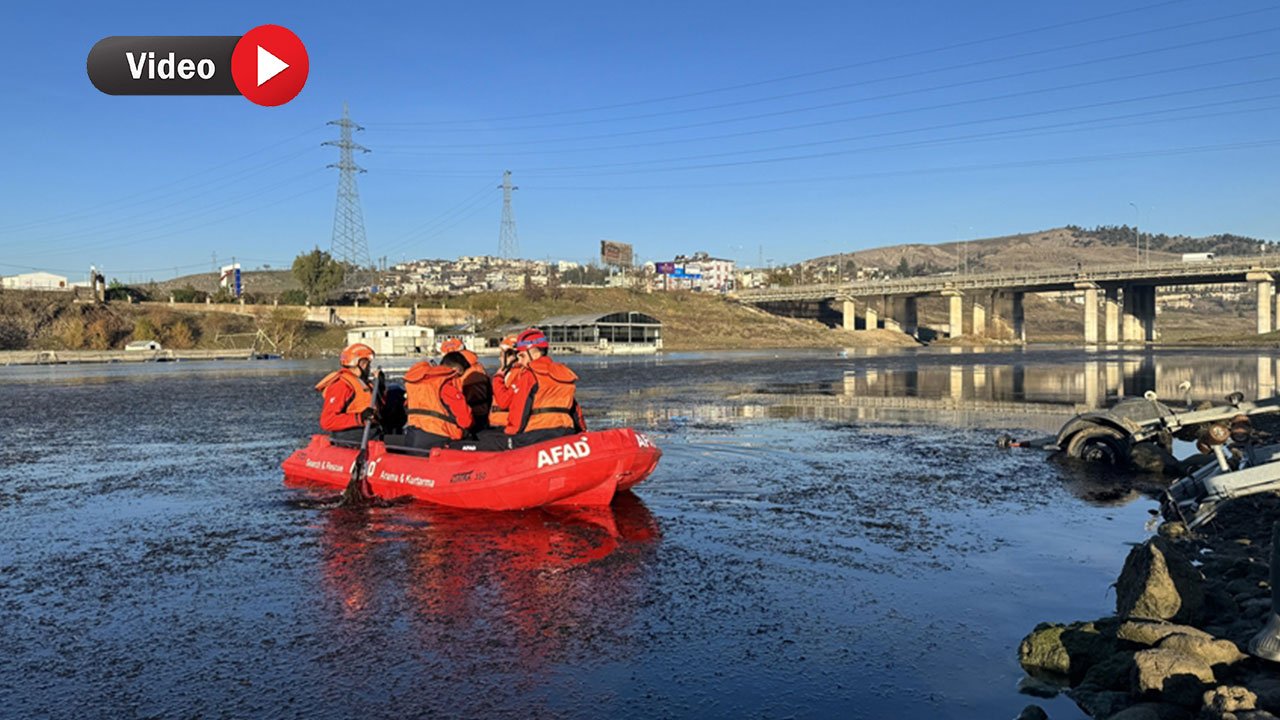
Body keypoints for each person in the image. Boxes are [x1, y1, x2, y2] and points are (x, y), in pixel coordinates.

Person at [476, 328, 585, 450]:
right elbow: (575, 410)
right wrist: (582, 433)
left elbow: (520, 409)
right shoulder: (564, 373)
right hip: (565, 431)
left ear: (534, 354)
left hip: (537, 434)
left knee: (485, 439)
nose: (520, 361)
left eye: (522, 356)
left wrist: (510, 435)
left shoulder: (530, 375)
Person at [402, 351, 474, 450]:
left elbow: (406, 406)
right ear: (457, 370)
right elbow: (466, 421)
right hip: (440, 440)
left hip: (413, 437)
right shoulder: (446, 385)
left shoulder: (416, 383)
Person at [316, 343, 377, 443]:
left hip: (369, 432)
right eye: (367, 364)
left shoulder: (364, 383)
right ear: (360, 363)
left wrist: (381, 385)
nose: (369, 368)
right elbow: (327, 421)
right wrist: (359, 417)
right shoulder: (341, 386)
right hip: (351, 437)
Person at [440, 337, 491, 429]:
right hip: (469, 417)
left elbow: (476, 405)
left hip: (475, 421)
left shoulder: (473, 373)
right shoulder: (471, 370)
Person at [488, 334, 522, 429]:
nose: (500, 358)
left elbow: (504, 401)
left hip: (505, 423)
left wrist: (498, 376)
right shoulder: (510, 372)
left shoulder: (519, 374)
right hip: (497, 421)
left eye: (503, 354)